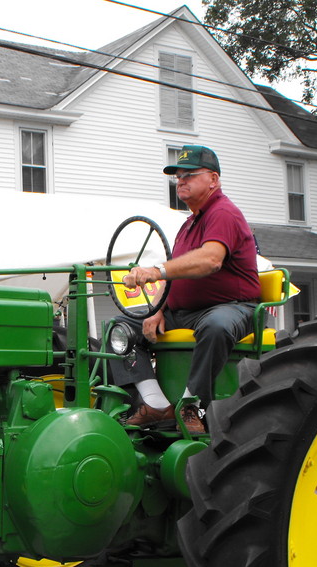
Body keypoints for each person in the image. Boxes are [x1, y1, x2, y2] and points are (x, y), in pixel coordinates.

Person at [109, 145, 261, 434]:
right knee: (121, 327)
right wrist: (159, 309)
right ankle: (155, 404)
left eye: (189, 175)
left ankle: (193, 408)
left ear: (213, 179)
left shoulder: (224, 213)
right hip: (186, 311)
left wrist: (154, 272)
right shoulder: (189, 223)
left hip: (232, 307)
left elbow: (210, 260)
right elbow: (178, 271)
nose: (181, 181)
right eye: (178, 176)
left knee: (217, 326)